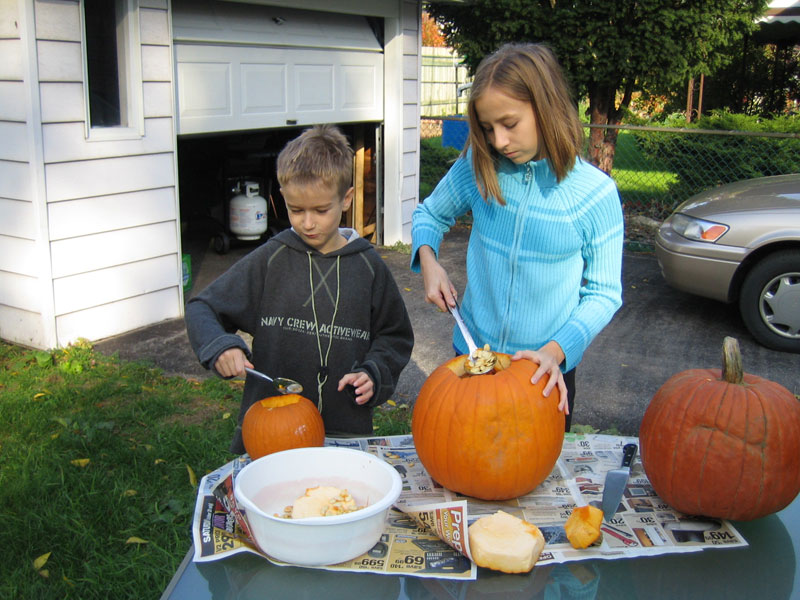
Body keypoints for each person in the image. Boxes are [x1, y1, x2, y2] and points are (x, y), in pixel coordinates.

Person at [411, 43, 623, 431]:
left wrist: (556, 351)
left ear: (546, 107)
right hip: (472, 356)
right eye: (488, 128)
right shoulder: (478, 167)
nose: (498, 141)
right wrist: (428, 259)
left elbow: (604, 294)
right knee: (461, 454)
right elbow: (431, 213)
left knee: (533, 463)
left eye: (509, 124)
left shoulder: (595, 195)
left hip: (543, 373)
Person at [187, 125, 414, 454]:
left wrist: (374, 372)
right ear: (283, 198)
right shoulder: (271, 258)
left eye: (321, 210)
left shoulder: (369, 267)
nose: (308, 223)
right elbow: (202, 307)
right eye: (296, 210)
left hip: (344, 432)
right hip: (272, 431)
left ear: (346, 198)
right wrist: (221, 347)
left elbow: (395, 336)